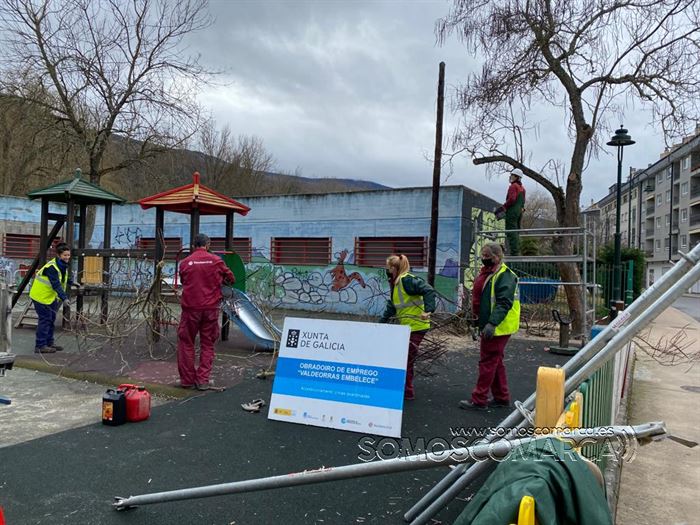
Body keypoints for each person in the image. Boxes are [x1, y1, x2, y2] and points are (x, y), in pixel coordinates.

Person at [460, 242, 520, 410]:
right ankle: (501, 397)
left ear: (497, 257)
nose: (483, 258)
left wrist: (492, 323)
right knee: (495, 361)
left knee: (488, 361)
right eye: (482, 255)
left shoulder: (505, 275)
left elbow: (503, 303)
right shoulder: (488, 272)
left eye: (487, 256)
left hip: (498, 326)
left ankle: (479, 399)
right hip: (491, 324)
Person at [177, 233, 235, 390]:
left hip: (190, 310)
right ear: (208, 245)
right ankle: (202, 380)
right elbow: (231, 278)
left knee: (186, 343)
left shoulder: (185, 262)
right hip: (210, 309)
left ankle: (187, 380)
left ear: (193, 245)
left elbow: (184, 280)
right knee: (208, 344)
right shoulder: (216, 261)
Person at [379, 254, 436, 400]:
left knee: (407, 359)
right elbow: (392, 306)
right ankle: (404, 388)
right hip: (407, 327)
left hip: (416, 326)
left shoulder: (407, 280)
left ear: (394, 268)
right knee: (405, 357)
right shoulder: (396, 283)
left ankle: (407, 391)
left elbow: (428, 290)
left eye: (388, 268)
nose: (387, 270)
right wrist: (381, 323)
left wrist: (428, 310)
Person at [29, 243, 74, 353]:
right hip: (41, 297)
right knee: (45, 320)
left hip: (50, 297)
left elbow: (63, 278)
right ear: (59, 255)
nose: (67, 257)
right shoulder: (52, 268)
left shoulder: (62, 265)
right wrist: (64, 298)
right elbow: (56, 284)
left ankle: (49, 343)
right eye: (65, 255)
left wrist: (72, 282)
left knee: (51, 319)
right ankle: (40, 346)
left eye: (68, 255)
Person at [496, 167, 526, 255]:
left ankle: (514, 254)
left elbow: (512, 199)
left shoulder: (513, 187)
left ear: (516, 177)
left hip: (512, 213)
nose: (511, 177)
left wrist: (503, 207)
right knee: (516, 232)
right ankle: (517, 252)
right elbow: (523, 202)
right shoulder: (522, 189)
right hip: (519, 213)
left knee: (511, 232)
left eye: (512, 175)